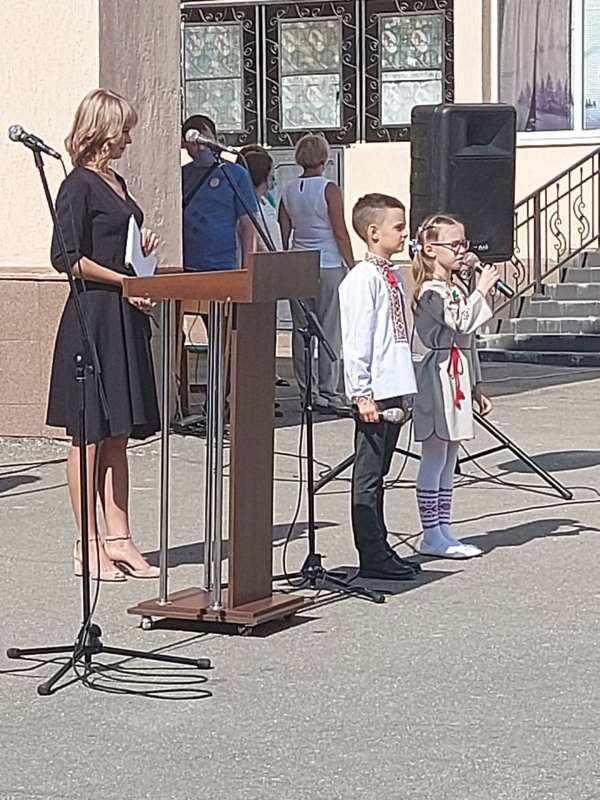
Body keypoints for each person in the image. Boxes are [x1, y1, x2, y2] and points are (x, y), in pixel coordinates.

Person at [47, 88, 161, 582]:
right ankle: (87, 542)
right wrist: (121, 281)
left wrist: (141, 250)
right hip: (91, 317)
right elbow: (66, 257)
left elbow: (118, 245)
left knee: (118, 432)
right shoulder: (77, 185)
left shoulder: (117, 181)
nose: (129, 139)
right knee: (89, 434)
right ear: (104, 130)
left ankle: (120, 537)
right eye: (125, 130)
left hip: (122, 316)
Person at [339, 194, 420, 580]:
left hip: (394, 383)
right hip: (375, 391)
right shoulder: (362, 279)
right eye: (398, 227)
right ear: (373, 232)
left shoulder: (393, 276)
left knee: (382, 473)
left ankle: (382, 546)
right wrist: (361, 393)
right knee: (368, 476)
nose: (404, 234)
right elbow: (357, 339)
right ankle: (371, 553)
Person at [411, 213, 499, 559]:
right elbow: (460, 320)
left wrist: (477, 384)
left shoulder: (453, 288)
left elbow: (468, 340)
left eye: (464, 243)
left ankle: (444, 528)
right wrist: (481, 289)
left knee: (450, 455)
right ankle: (431, 533)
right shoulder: (430, 291)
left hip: (458, 373)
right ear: (430, 249)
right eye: (455, 244)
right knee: (435, 452)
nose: (463, 250)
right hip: (437, 374)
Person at [279, 133, 354, 412]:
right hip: (328, 262)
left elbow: (284, 231)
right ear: (324, 157)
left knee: (302, 331)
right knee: (329, 328)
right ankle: (328, 389)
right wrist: (352, 264)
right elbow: (340, 231)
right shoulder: (329, 188)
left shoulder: (288, 190)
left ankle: (306, 391)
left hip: (299, 263)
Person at [182, 114, 257, 271]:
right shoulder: (181, 175)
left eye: (204, 139)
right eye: (194, 143)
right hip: (187, 265)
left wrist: (247, 269)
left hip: (222, 265)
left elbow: (248, 225)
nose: (201, 147)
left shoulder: (236, 174)